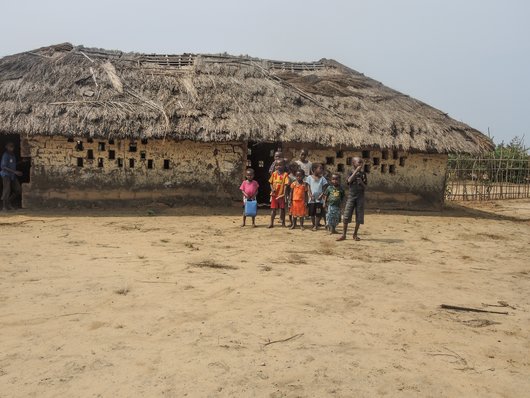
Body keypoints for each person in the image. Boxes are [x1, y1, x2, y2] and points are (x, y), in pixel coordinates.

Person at [337, 157, 367, 241]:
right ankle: (344, 235)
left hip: (360, 197)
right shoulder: (350, 173)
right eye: (359, 162)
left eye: (362, 162)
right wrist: (356, 171)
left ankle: (355, 234)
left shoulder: (363, 174)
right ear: (354, 164)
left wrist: (361, 182)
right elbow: (349, 181)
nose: (361, 164)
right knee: (346, 215)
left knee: (359, 216)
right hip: (351, 197)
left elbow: (365, 187)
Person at [305, 163, 328, 231]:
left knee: (318, 212)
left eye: (322, 168)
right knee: (312, 213)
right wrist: (310, 195)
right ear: (314, 169)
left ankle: (316, 225)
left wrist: (321, 195)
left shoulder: (322, 178)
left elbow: (325, 187)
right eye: (320, 168)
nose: (321, 170)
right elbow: (308, 187)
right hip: (311, 199)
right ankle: (313, 224)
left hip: (319, 200)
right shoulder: (309, 177)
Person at [1, 142, 22, 212]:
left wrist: (22, 162)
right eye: (10, 146)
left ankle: (8, 202)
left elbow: (13, 164)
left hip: (12, 175)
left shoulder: (12, 155)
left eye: (12, 146)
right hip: (6, 175)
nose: (12, 148)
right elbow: (3, 167)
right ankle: (4, 207)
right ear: (6, 147)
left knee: (18, 190)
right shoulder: (5, 155)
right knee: (6, 190)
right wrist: (15, 172)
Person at [268, 160, 290, 228]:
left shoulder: (285, 174)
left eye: (280, 165)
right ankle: (271, 223)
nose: (278, 166)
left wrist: (284, 193)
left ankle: (283, 223)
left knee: (282, 209)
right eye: (277, 165)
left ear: (284, 166)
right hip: (274, 195)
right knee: (273, 209)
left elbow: (286, 185)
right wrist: (272, 189)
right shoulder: (274, 174)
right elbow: (271, 183)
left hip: (281, 195)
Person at [286, 162, 299, 227]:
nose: (295, 169)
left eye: (296, 167)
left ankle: (295, 222)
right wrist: (287, 196)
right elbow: (287, 187)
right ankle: (291, 222)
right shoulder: (289, 176)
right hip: (291, 195)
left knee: (296, 210)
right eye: (293, 167)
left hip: (298, 196)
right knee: (290, 210)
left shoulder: (298, 175)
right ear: (290, 168)